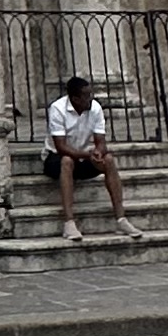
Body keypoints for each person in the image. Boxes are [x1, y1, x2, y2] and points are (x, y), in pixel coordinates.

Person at [43, 71, 131, 240]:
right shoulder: (57, 109)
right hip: (55, 158)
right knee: (67, 161)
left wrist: (98, 151)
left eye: (90, 94)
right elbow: (61, 147)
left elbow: (101, 141)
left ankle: (121, 219)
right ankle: (69, 223)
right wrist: (86, 154)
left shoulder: (95, 108)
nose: (90, 99)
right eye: (86, 96)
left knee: (109, 159)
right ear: (75, 99)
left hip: (82, 156)